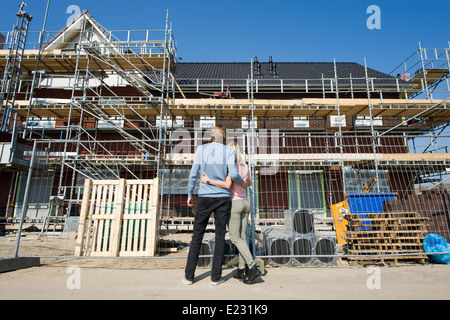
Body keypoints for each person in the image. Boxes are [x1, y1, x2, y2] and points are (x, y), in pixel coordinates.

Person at [182, 126, 245, 286]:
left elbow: (193, 173)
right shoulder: (228, 151)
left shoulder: (201, 149)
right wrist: (243, 183)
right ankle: (215, 277)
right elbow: (234, 174)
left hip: (204, 197)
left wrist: (190, 194)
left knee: (197, 235)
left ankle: (189, 276)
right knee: (219, 237)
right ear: (223, 137)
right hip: (223, 198)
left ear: (210, 136)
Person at [199, 141, 261, 285]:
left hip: (235, 204)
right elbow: (249, 183)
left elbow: (227, 184)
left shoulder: (229, 168)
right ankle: (240, 269)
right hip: (246, 203)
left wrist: (208, 181)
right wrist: (244, 184)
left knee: (234, 238)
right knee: (243, 238)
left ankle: (252, 267)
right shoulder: (245, 166)